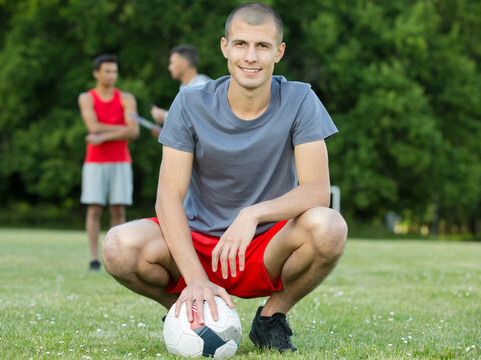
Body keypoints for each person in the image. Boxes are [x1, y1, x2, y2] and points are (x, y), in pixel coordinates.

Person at [101, 2, 347, 354]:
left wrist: (252, 213)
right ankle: (190, 313)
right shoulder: (189, 103)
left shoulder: (300, 98)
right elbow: (169, 196)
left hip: (266, 246)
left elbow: (317, 190)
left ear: (279, 52)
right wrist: (196, 278)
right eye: (241, 44)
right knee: (117, 247)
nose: (251, 56)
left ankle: (272, 317)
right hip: (197, 243)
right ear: (224, 47)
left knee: (330, 227)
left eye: (262, 46)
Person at [78, 54, 139, 271]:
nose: (112, 75)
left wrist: (102, 135)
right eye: (107, 71)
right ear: (96, 73)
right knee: (94, 209)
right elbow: (92, 126)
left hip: (121, 160)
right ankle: (94, 259)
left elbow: (134, 131)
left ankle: (116, 258)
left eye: (114, 71)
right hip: (95, 161)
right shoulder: (87, 98)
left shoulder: (126, 98)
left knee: (118, 210)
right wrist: (122, 129)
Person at [150, 45, 211, 129]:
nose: (169, 68)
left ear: (184, 63)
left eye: (172, 63)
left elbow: (195, 119)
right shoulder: (185, 88)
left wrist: (164, 116)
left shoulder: (201, 87)